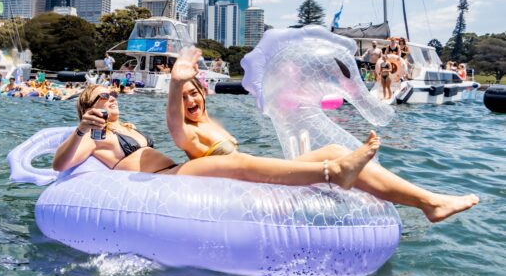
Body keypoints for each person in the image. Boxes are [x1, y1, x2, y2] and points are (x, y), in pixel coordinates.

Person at [53, 82, 478, 223]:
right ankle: (335, 172)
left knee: (331, 146)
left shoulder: (123, 125)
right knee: (238, 163)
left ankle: (428, 201)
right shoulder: (95, 134)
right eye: (99, 100)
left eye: (111, 97)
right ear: (87, 107)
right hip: (165, 182)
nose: (109, 103)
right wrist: (81, 129)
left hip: (182, 172)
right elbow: (60, 164)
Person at [163, 46, 479, 222]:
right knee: (336, 162)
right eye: (184, 97)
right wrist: (176, 82)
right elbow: (175, 128)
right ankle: (427, 203)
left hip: (253, 175)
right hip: (241, 189)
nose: (190, 101)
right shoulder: (188, 133)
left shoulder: (210, 123)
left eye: (193, 94)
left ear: (203, 93)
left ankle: (428, 202)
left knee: (335, 150)